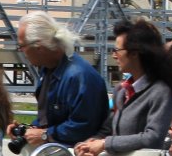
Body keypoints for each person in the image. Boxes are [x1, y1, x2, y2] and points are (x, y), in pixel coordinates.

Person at [76, 19, 172, 156]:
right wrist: (90, 143)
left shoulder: (161, 92)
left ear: (134, 53)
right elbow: (108, 130)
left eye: (117, 50)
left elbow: (152, 137)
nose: (114, 55)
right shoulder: (120, 91)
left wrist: (105, 144)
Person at [16, 11, 107, 146]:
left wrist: (45, 134)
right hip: (59, 152)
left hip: (78, 155)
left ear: (38, 47)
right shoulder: (48, 70)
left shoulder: (79, 76)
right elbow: (48, 120)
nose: (21, 52)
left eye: (22, 46)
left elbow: (83, 128)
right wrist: (27, 130)